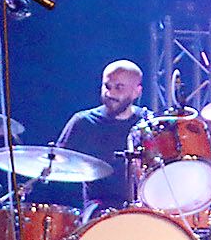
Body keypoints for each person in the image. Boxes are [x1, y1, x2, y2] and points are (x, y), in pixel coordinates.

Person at [56, 59, 150, 214]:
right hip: (98, 210)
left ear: (136, 92)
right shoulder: (83, 122)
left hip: (144, 210)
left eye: (119, 87)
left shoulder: (148, 124)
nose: (110, 93)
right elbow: (57, 163)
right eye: (107, 86)